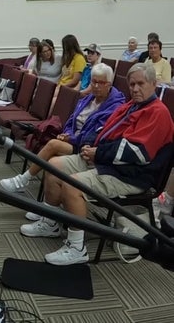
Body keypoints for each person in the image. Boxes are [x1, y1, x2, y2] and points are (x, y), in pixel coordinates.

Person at [19, 63, 174, 265]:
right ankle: (50, 222)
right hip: (108, 163)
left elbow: (137, 153)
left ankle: (77, 248)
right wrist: (89, 147)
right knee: (54, 165)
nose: (135, 89)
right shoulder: (132, 105)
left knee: (72, 184)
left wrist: (99, 153)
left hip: (131, 175)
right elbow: (106, 133)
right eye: (132, 84)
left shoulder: (157, 113)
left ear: (154, 84)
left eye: (140, 84)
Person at [0, 63, 125, 194]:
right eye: (94, 82)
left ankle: (23, 180)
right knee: (52, 155)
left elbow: (96, 134)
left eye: (101, 83)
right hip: (73, 139)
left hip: (87, 146)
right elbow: (71, 120)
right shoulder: (89, 99)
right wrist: (67, 134)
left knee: (53, 145)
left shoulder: (115, 107)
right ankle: (47, 200)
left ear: (109, 84)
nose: (97, 86)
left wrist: (71, 138)